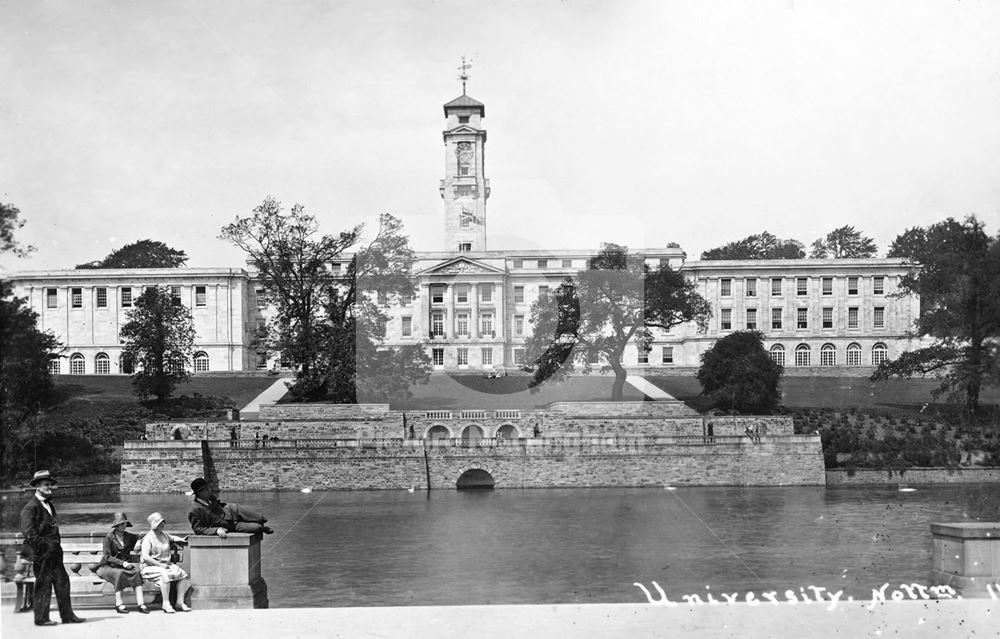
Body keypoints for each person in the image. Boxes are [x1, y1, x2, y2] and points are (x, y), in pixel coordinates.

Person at [19, 469, 86, 626]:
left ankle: (67, 616)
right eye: (46, 485)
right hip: (41, 554)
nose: (50, 487)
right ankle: (41, 619)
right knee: (43, 584)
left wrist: (54, 547)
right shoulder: (30, 508)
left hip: (54, 554)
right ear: (37, 487)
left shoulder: (49, 504)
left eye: (50, 484)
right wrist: (47, 546)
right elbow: (30, 534)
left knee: (63, 582)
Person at [96, 512, 148, 614]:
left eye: (125, 524)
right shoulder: (109, 537)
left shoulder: (128, 536)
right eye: (122, 524)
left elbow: (142, 536)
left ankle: (141, 604)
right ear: (116, 525)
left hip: (123, 566)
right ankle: (119, 604)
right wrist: (122, 563)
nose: (124, 526)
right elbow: (107, 557)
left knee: (136, 572)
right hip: (107, 567)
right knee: (119, 574)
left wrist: (138, 542)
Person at [139, 512, 191, 613]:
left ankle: (179, 602)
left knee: (182, 574)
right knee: (164, 575)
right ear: (154, 525)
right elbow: (145, 557)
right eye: (159, 523)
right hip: (149, 567)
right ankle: (166, 604)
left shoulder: (164, 535)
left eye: (163, 523)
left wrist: (182, 539)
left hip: (165, 565)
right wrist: (160, 565)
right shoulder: (148, 538)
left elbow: (173, 538)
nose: (162, 525)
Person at [187, 477, 274, 537]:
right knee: (257, 527)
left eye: (209, 488)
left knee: (260, 518)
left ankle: (260, 523)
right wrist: (216, 530)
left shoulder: (210, 496)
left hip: (232, 510)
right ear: (199, 493)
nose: (209, 491)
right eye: (206, 490)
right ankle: (262, 528)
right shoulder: (194, 510)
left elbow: (219, 504)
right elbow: (198, 529)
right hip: (230, 525)